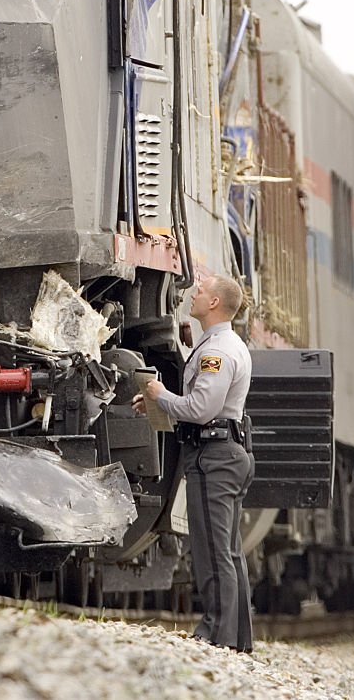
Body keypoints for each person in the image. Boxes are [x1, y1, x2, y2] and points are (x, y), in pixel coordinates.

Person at [132, 273, 254, 652]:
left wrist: (161, 393)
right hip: (222, 452)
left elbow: (202, 408)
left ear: (215, 303)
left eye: (201, 291)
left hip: (214, 457)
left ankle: (217, 633)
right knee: (229, 549)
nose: (194, 294)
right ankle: (237, 637)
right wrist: (160, 403)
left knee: (214, 549)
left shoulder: (218, 351)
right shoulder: (220, 343)